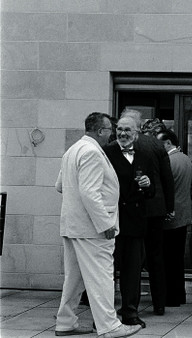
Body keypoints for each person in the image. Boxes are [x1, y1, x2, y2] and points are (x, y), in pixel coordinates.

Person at [54, 112, 142, 338]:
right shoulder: (93, 152)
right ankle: (110, 326)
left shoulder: (73, 150)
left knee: (74, 278)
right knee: (102, 276)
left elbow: (60, 186)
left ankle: (65, 322)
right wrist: (105, 223)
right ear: (101, 131)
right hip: (92, 228)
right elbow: (89, 192)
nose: (111, 135)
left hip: (73, 225)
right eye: (109, 130)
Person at [122, 109, 175, 314]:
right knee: (156, 257)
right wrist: (169, 207)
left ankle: (131, 303)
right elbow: (167, 177)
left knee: (131, 257)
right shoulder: (155, 144)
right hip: (156, 207)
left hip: (132, 208)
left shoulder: (121, 144)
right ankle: (159, 304)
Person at [104, 116, 156, 329]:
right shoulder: (106, 153)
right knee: (107, 271)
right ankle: (106, 314)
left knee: (133, 271)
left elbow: (153, 192)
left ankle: (130, 312)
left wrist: (148, 184)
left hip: (135, 222)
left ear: (136, 133)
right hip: (111, 222)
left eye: (128, 130)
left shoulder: (145, 155)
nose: (123, 134)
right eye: (120, 130)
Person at [156, 130, 192, 306]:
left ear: (167, 143)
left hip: (168, 217)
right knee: (177, 258)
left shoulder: (167, 161)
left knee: (166, 259)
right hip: (184, 217)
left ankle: (168, 297)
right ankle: (178, 296)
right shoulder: (187, 160)